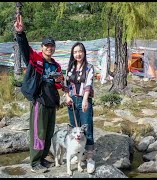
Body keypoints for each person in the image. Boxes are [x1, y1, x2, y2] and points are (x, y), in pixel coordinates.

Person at [14, 14, 64, 173]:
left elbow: (57, 84)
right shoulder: (35, 58)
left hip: (51, 102)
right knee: (39, 132)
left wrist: (61, 81)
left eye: (52, 46)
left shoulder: (56, 65)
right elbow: (24, 49)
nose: (49, 48)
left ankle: (42, 158)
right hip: (39, 100)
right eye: (47, 46)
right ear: (42, 47)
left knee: (48, 132)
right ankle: (35, 162)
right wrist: (21, 34)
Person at [63, 42, 96, 174]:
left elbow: (88, 84)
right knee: (74, 128)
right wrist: (66, 96)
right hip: (72, 100)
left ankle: (89, 159)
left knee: (87, 128)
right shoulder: (70, 67)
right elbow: (65, 84)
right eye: (75, 52)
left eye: (80, 51)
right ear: (72, 53)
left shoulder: (89, 67)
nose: (78, 54)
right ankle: (77, 155)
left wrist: (84, 99)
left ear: (84, 52)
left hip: (84, 99)